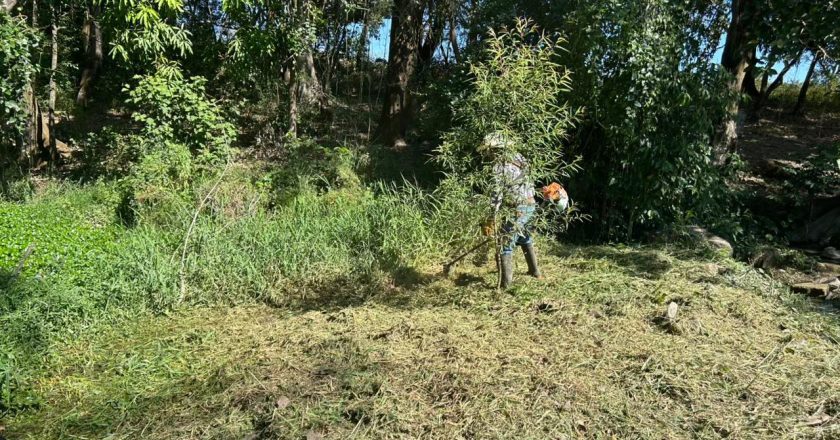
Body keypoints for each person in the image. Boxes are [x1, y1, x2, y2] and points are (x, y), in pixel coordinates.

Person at [480, 132, 542, 289]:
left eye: (489, 150)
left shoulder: (498, 167)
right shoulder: (520, 158)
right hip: (530, 204)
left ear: (495, 150)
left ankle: (505, 285)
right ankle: (535, 271)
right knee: (525, 237)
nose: (488, 154)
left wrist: (491, 217)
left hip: (517, 208)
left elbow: (496, 195)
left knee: (504, 244)